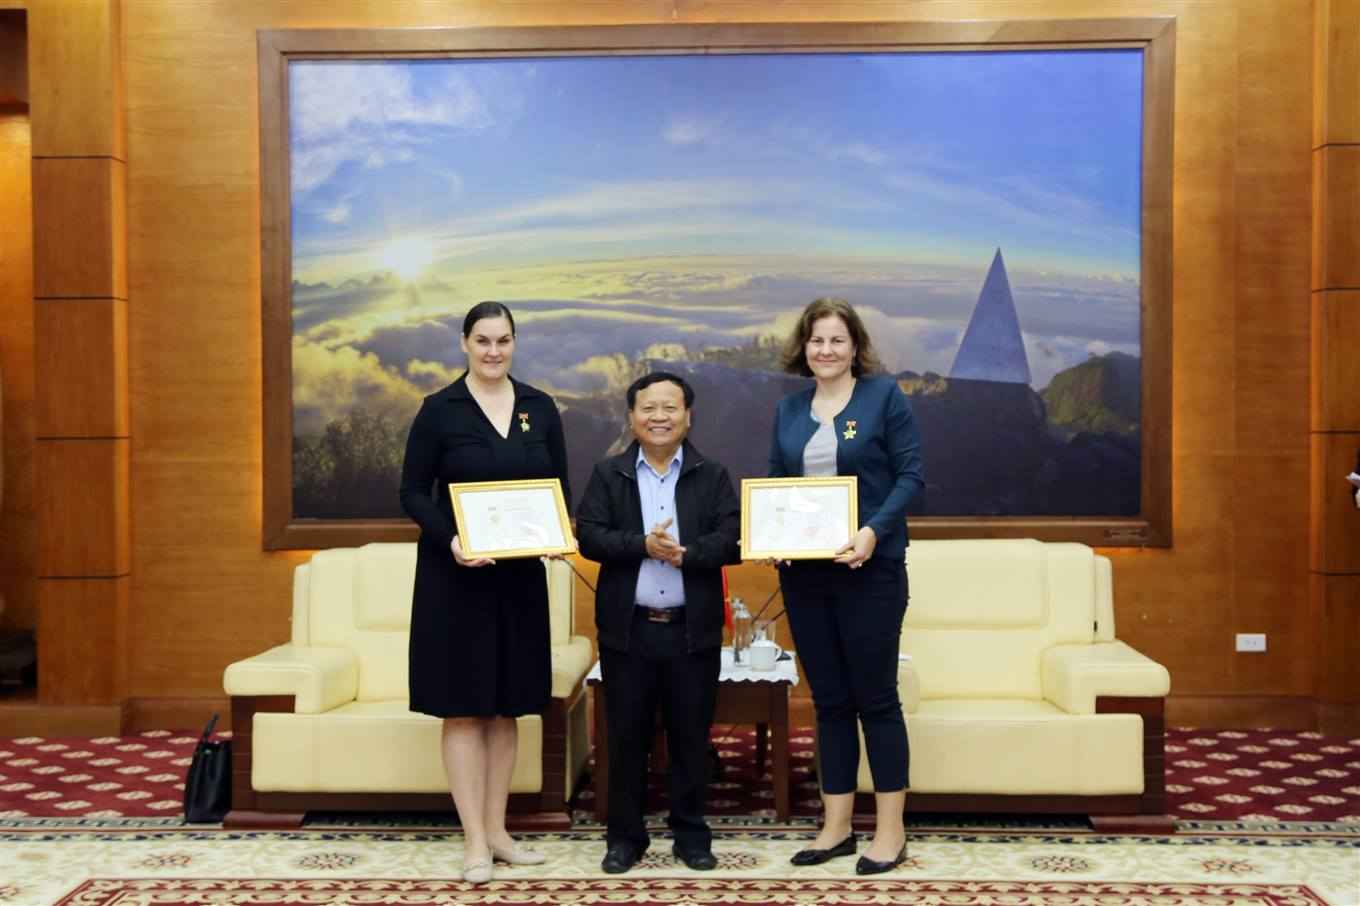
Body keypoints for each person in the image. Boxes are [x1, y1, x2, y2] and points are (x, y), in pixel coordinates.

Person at [398, 301, 569, 884]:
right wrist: (451, 540)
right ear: (464, 344)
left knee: (507, 706)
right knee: (466, 708)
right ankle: (473, 839)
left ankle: (499, 832)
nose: (494, 351)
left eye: (503, 340)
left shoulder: (539, 407)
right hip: (456, 578)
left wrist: (555, 535)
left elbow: (558, 488)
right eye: (483, 341)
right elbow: (412, 492)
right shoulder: (439, 410)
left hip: (519, 580)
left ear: (515, 343)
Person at [768, 298, 923, 875]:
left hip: (871, 570)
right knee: (829, 701)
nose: (826, 350)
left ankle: (890, 831)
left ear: (855, 346)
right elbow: (777, 483)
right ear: (803, 348)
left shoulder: (884, 397)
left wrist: (872, 531)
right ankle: (835, 827)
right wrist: (774, 535)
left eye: (837, 340)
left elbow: (911, 475)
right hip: (806, 576)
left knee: (875, 699)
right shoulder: (788, 409)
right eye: (816, 341)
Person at [576, 371, 741, 875]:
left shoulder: (712, 475)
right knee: (626, 738)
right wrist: (643, 546)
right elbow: (590, 536)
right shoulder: (609, 474)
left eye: (670, 408)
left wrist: (686, 554)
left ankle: (691, 836)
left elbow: (732, 538)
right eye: (648, 408)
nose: (659, 417)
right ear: (632, 417)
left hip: (692, 630)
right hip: (630, 631)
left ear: (688, 417)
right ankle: (625, 838)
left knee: (691, 738)